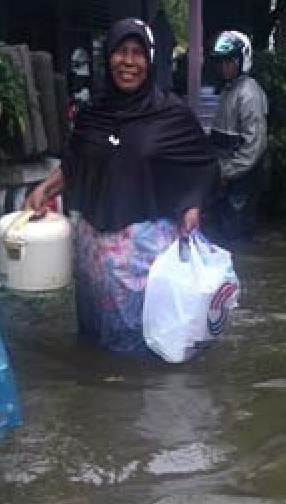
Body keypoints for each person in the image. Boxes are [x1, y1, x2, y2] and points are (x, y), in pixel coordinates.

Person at [23, 18, 219, 355]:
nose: (128, 62)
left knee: (142, 347)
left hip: (144, 255)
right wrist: (46, 188)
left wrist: (192, 205)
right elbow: (77, 162)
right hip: (92, 253)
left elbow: (203, 166)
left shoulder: (171, 114)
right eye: (120, 52)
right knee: (94, 340)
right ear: (107, 57)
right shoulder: (92, 114)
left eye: (137, 54)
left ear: (150, 61)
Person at [209, 30, 269, 242]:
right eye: (221, 62)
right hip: (229, 174)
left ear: (242, 60)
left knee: (237, 234)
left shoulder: (249, 93)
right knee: (224, 231)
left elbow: (254, 146)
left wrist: (228, 173)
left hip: (243, 177)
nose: (225, 67)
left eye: (230, 61)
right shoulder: (228, 90)